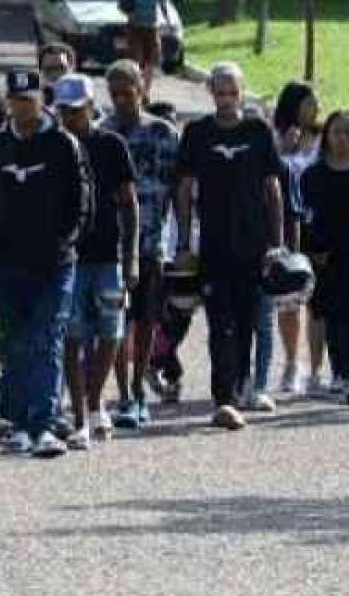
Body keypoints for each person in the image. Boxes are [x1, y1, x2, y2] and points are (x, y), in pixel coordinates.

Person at [0, 68, 88, 458]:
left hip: (54, 263)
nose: (21, 108)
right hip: (7, 260)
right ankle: (17, 424)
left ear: (42, 101)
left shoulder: (63, 144)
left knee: (47, 337)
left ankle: (44, 425)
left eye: (29, 101)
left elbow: (81, 204)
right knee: (14, 341)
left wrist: (64, 241)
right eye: (15, 101)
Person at [177, 63, 287, 429]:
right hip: (213, 245)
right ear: (211, 93)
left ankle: (241, 385)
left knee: (246, 324)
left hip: (253, 246)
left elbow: (273, 189)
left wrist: (278, 242)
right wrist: (182, 241)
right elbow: (184, 190)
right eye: (220, 93)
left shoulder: (258, 132)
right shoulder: (197, 133)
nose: (226, 100)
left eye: (232, 92)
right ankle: (223, 398)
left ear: (242, 93)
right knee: (219, 323)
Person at [53, 74, 138, 445]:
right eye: (65, 110)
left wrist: (130, 256)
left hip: (107, 254)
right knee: (72, 335)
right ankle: (79, 413)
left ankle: (95, 400)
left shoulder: (111, 145)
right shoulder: (53, 148)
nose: (72, 117)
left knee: (110, 332)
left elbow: (129, 202)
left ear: (90, 106)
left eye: (78, 109)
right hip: (69, 256)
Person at [101, 63, 177, 430]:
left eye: (127, 93)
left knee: (147, 317)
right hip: (110, 243)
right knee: (118, 320)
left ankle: (139, 385)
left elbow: (177, 187)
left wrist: (182, 238)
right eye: (114, 94)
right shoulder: (103, 132)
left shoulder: (162, 133)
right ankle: (122, 392)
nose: (121, 101)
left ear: (140, 90)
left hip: (151, 239)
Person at [300, 110, 349, 405]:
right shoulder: (313, 174)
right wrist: (310, 248)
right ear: (326, 136)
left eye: (348, 132)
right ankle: (336, 372)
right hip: (322, 253)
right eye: (337, 132)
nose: (343, 138)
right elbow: (303, 216)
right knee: (327, 312)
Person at [272, 81, 322, 396]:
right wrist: (283, 151)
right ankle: (292, 362)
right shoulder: (274, 139)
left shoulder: (325, 138)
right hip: (289, 225)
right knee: (288, 299)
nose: (315, 108)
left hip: (319, 225)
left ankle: (317, 367)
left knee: (320, 303)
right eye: (309, 102)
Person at [115, 0, 171, 86]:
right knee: (136, 59)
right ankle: (137, 86)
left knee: (151, 61)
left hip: (152, 27)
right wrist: (129, 13)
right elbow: (121, 4)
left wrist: (167, 21)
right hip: (135, 27)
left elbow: (163, 4)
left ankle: (146, 89)